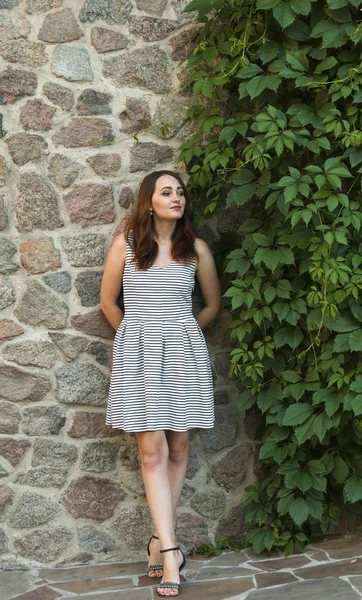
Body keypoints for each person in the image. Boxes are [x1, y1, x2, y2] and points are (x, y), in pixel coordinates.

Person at [100, 170, 221, 597]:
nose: (176, 197)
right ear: (148, 202)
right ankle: (171, 551)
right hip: (139, 355)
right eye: (166, 192)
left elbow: (211, 305)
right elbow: (108, 302)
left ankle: (156, 540)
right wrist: (136, 335)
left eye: (180, 192)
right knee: (152, 448)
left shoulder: (196, 250)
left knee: (179, 444)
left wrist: (183, 332)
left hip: (184, 355)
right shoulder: (127, 245)